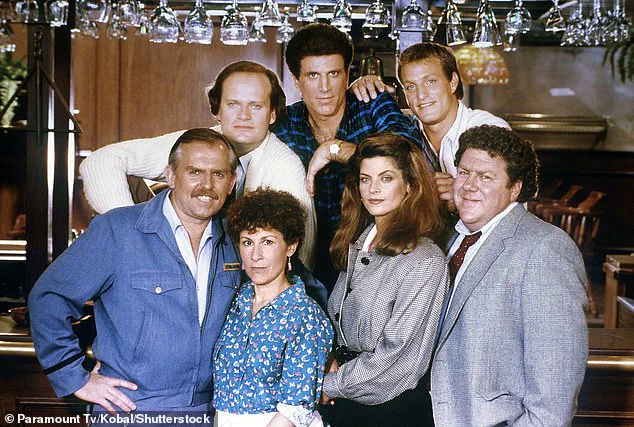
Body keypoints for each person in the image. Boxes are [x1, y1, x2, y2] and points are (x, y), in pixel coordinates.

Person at [29, 129, 240, 419]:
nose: (206, 185)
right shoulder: (117, 229)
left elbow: (279, 295)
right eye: (194, 172)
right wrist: (74, 377)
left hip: (208, 412)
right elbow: (49, 298)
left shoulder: (238, 239)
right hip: (131, 408)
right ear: (170, 176)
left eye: (218, 174)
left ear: (231, 183)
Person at [79, 61, 317, 270]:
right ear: (217, 110)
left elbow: (301, 259)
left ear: (272, 114)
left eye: (255, 106)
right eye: (233, 104)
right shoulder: (198, 144)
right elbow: (99, 162)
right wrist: (133, 239)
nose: (243, 115)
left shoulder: (284, 166)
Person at [431, 125, 588, 426]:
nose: (469, 185)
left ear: (515, 188)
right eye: (464, 172)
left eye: (485, 177)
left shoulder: (545, 248)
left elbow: (554, 400)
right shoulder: (447, 238)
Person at [274, 23, 422, 289]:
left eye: (333, 74)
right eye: (313, 76)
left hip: (376, 262)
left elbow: (409, 156)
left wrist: (337, 149)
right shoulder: (286, 123)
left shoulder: (371, 105)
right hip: (301, 269)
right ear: (296, 81)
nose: (325, 87)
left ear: (346, 75)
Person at [320, 132, 449, 426]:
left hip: (390, 412)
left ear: (410, 186)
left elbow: (399, 358)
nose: (373, 189)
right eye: (365, 179)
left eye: (386, 178)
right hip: (345, 404)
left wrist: (329, 385)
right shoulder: (359, 242)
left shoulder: (425, 260)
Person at [213, 189, 334, 427]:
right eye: (247, 242)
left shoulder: (305, 314)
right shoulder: (236, 301)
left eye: (267, 242)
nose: (255, 255)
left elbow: (295, 409)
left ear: (291, 247)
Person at [351, 42, 509, 213]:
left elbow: (509, 201)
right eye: (411, 87)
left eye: (430, 82)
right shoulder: (405, 130)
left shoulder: (489, 130)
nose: (421, 95)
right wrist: (353, 92)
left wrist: (462, 195)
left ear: (453, 82)